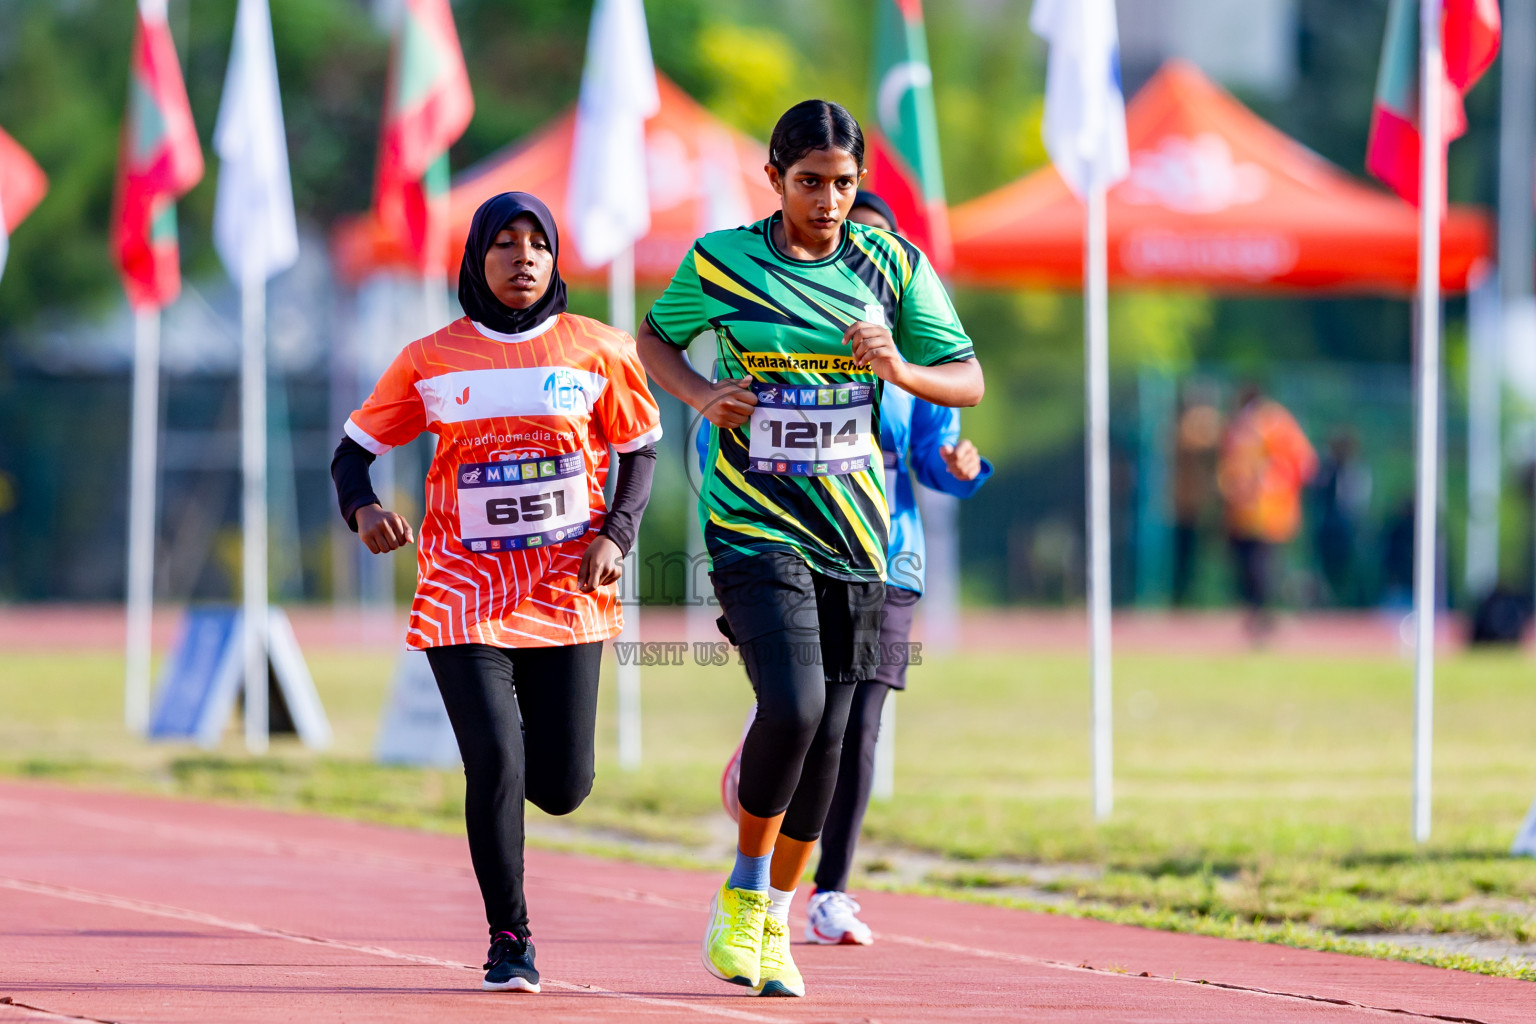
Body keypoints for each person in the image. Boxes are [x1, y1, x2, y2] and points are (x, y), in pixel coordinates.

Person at [638, 100, 984, 998]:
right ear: (774, 179)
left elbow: (969, 379)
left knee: (834, 736)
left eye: (843, 184)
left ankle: (779, 918)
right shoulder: (724, 261)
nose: (828, 201)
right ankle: (743, 893)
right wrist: (703, 395)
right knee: (791, 708)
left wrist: (900, 369)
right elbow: (653, 340)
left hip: (859, 533)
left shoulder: (893, 264)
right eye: (810, 183)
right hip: (754, 524)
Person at [330, 192, 662, 994]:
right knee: (495, 761)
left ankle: (538, 808)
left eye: (538, 244)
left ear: (554, 258)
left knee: (561, 786)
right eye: (505, 244)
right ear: (477, 258)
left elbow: (642, 451)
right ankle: (509, 938)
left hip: (566, 591)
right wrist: (365, 511)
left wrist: (616, 536)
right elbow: (351, 455)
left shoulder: (599, 349)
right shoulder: (431, 358)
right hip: (462, 593)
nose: (523, 258)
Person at [710, 191, 993, 947]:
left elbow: (936, 450)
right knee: (803, 709)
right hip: (784, 541)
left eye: (871, 253)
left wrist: (958, 465)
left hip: (886, 552)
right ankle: (769, 753)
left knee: (859, 725)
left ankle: (828, 891)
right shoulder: (779, 327)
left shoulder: (914, 345)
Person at [1216, 384, 1316, 642]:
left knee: (1262, 566)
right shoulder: (1239, 425)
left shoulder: (1275, 422)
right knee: (1246, 566)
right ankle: (1258, 614)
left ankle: (1267, 614)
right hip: (1243, 511)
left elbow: (1303, 462)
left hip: (1270, 511)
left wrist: (1272, 477)